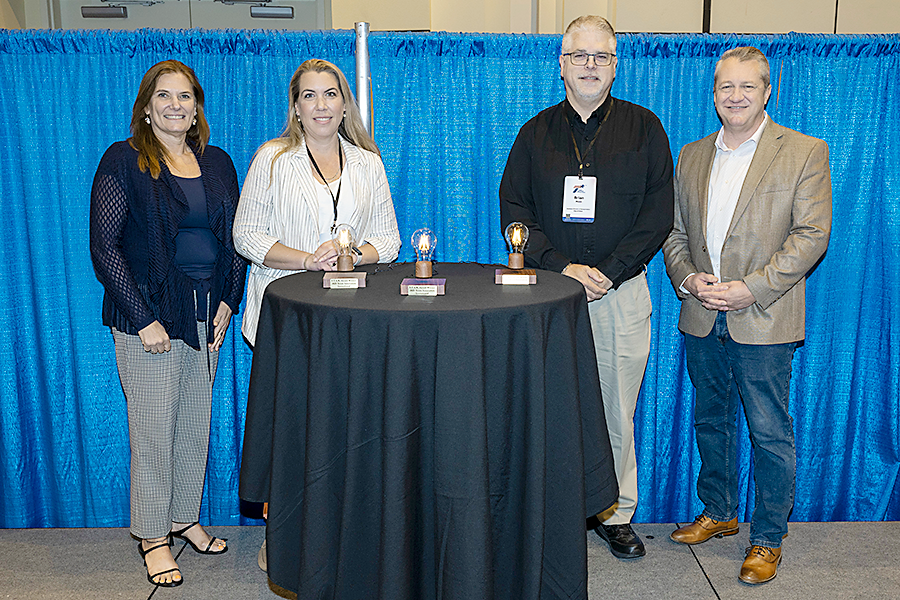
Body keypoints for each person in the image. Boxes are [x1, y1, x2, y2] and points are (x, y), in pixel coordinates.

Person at [499, 15, 673, 559]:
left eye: (601, 57)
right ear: (562, 64)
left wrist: (610, 271)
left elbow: (658, 214)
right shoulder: (534, 133)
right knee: (548, 405)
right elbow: (513, 212)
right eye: (580, 56)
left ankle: (614, 512)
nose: (590, 66)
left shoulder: (645, 128)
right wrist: (561, 266)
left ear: (616, 65)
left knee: (616, 407)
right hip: (549, 297)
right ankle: (553, 509)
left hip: (620, 293)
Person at [662, 46, 831, 584]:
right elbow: (674, 234)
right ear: (714, 93)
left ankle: (767, 538)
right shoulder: (690, 155)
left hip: (764, 316)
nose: (734, 97)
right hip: (700, 314)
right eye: (725, 87)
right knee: (710, 421)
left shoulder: (804, 151)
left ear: (767, 91)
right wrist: (688, 279)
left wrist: (749, 289)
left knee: (768, 431)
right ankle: (720, 511)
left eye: (747, 87)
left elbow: (811, 237)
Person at [232, 58, 401, 570]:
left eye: (331, 94)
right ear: (296, 108)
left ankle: (339, 534)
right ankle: (279, 535)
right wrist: (308, 259)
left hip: (351, 323)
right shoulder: (272, 158)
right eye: (310, 96)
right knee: (289, 432)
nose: (321, 105)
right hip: (288, 322)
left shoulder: (369, 163)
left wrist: (353, 255)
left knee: (342, 432)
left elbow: (390, 241)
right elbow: (246, 235)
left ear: (345, 103)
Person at [89, 60, 247, 587]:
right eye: (164, 96)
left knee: (193, 427)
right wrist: (143, 319)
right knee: (154, 429)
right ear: (147, 106)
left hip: (208, 315)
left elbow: (235, 240)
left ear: (197, 105)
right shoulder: (124, 160)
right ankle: (154, 537)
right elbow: (104, 247)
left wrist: (229, 300)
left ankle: (184, 518)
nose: (175, 105)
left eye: (185, 96)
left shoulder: (218, 163)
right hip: (150, 318)